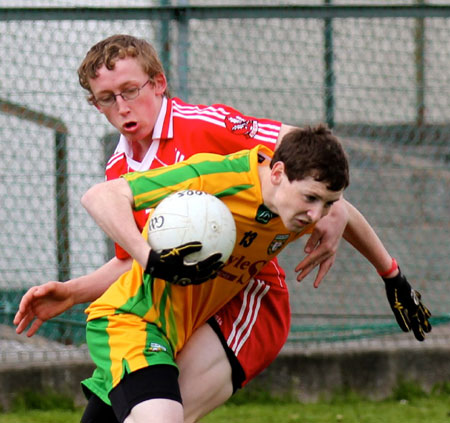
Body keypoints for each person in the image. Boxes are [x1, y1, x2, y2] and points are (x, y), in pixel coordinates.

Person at [13, 34, 431, 423]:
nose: (121, 106)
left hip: (242, 296)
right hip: (171, 302)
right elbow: (141, 264)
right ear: (94, 104)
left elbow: (303, 153)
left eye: (130, 90)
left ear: (159, 84)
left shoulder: (203, 125)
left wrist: (341, 218)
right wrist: (72, 291)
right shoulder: (119, 172)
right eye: (106, 98)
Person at [80, 124, 351, 423]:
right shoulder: (216, 177)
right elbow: (100, 196)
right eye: (311, 198)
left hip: (173, 334)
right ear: (277, 174)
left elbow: (346, 215)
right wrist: (150, 260)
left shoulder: (293, 208)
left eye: (329, 203)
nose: (317, 214)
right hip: (131, 320)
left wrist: (391, 275)